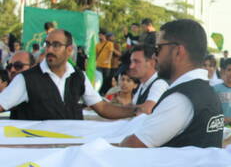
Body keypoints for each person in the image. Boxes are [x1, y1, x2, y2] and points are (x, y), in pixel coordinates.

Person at [119, 19, 224, 148]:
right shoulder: (206, 91)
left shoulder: (181, 98)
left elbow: (133, 145)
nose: (155, 57)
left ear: (178, 51)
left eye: (158, 49)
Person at [0, 29, 136, 120]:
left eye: (56, 45)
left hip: (71, 150)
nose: (50, 49)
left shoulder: (79, 76)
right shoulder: (26, 79)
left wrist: (135, 111)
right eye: (47, 44)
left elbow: (102, 108)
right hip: (37, 150)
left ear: (69, 50)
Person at [127, 43, 168, 114]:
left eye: (136, 61)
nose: (131, 66)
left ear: (152, 63)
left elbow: (148, 109)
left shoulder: (159, 84)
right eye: (132, 61)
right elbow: (133, 106)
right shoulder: (143, 84)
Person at [95, 30, 119, 95]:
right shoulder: (97, 45)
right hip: (98, 65)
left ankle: (104, 93)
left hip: (106, 66)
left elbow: (110, 53)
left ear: (104, 36)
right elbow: (96, 55)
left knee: (105, 80)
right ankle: (98, 92)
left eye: (101, 35)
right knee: (98, 79)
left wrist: (108, 60)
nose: (99, 37)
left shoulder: (110, 44)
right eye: (99, 35)